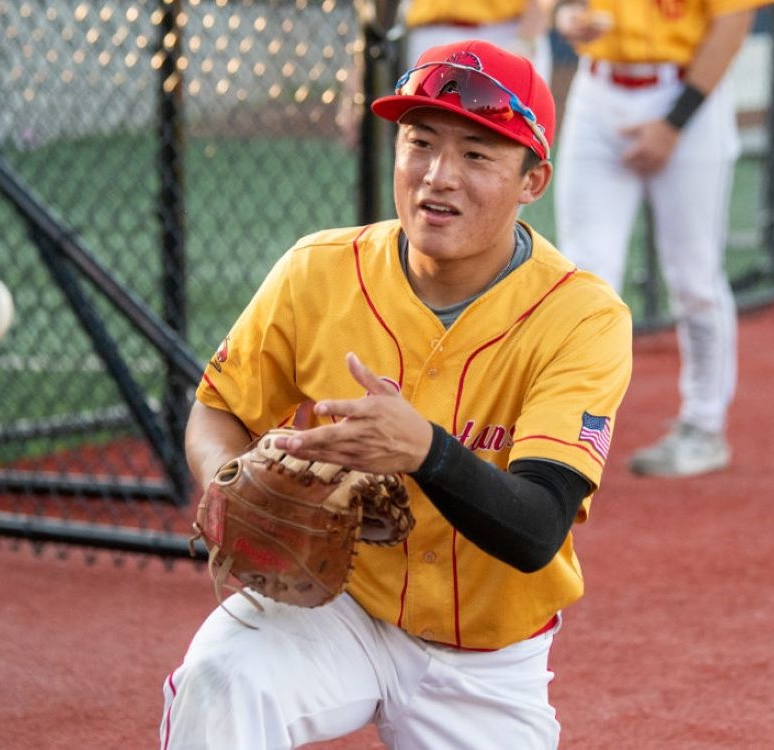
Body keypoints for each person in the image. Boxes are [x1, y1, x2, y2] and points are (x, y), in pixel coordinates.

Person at [160, 39, 632, 749]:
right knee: (226, 677)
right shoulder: (317, 270)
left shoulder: (581, 317)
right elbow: (218, 408)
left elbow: (538, 530)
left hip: (486, 657)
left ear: (533, 180)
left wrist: (426, 453)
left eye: (477, 154)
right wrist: (226, 481)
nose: (438, 177)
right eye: (420, 143)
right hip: (334, 604)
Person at [551, 0, 774, 477]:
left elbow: (732, 24)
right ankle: (566, 428)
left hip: (685, 93)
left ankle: (704, 425)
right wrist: (568, 19)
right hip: (597, 90)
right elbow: (566, 7)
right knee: (584, 276)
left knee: (693, 277)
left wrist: (672, 124)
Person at [401, 0, 554, 83]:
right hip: (433, 31)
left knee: (511, 127)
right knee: (429, 119)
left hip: (505, 30)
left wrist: (526, 38)